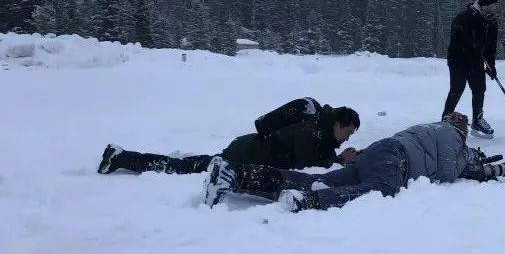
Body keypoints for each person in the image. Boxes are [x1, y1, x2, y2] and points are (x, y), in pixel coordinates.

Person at [202, 112, 505, 211]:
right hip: (395, 160)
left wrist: (472, 160)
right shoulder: (450, 134)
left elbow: (451, 159)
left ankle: (235, 175)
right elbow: (448, 172)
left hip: (380, 153)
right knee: (380, 191)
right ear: (460, 130)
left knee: (316, 179)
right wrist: (475, 167)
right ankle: (308, 202)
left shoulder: (430, 130)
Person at [96, 97, 360, 175]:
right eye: (347, 131)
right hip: (241, 157)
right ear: (337, 122)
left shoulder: (319, 129)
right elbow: (307, 166)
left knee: (193, 164)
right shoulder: (310, 131)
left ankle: (122, 158)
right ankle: (120, 158)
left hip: (247, 150)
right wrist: (337, 162)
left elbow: (317, 155)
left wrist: (337, 157)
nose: (347, 138)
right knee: (182, 167)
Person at [443, 0, 500, 139]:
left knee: (480, 88)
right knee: (457, 88)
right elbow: (456, 39)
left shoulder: (491, 22)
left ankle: (477, 120)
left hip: (475, 61)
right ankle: (445, 120)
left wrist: (491, 65)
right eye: (494, 4)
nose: (496, 7)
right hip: (458, 59)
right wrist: (472, 45)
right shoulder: (465, 17)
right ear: (486, 4)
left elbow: (490, 47)